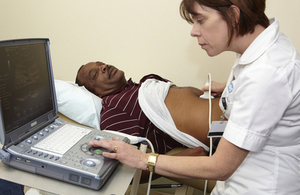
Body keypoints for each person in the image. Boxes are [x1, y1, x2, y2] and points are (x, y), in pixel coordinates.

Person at [88, 0, 300, 194]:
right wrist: (232, 88)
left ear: (234, 16)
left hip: (260, 187)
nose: (193, 31)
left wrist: (143, 159)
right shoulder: (262, 49)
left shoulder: (267, 73)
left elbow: (221, 166)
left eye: (200, 20)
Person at [76, 61, 223, 155]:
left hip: (229, 107)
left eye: (101, 63)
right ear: (96, 94)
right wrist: (182, 157)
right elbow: (125, 167)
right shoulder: (114, 111)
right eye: (95, 74)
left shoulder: (144, 84)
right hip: (225, 134)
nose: (104, 66)